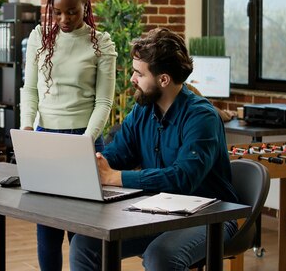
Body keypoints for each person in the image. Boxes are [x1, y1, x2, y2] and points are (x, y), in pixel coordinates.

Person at [68, 27, 239, 270]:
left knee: (161, 256)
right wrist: (93, 163)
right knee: (86, 243)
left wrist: (116, 177)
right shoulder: (143, 110)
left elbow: (182, 178)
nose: (132, 80)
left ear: (164, 79)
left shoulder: (202, 118)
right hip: (160, 211)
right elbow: (119, 154)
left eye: (139, 73)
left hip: (212, 216)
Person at [20, 0, 117, 270]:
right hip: (45, 138)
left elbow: (104, 101)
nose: (64, 19)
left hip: (84, 138)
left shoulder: (101, 43)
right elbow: (30, 90)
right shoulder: (39, 38)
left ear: (85, 4)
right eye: (58, 12)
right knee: (46, 231)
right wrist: (26, 130)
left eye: (72, 12)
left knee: (82, 234)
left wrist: (85, 143)